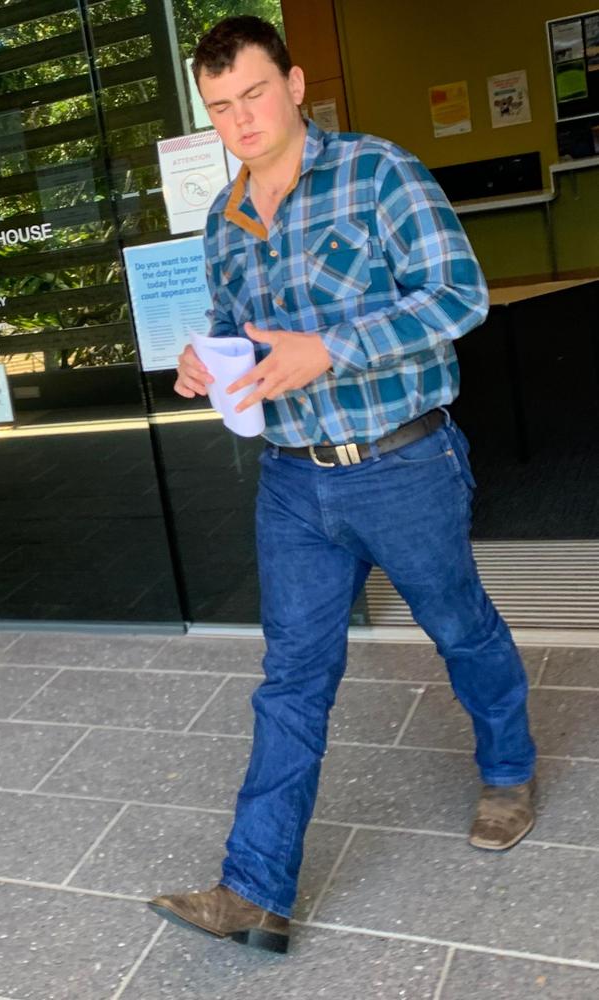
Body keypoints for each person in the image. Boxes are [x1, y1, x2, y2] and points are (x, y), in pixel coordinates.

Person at [148, 15, 536, 954]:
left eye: (251, 94)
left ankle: (510, 769)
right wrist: (208, 363)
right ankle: (255, 890)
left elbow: (459, 297)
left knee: (459, 627)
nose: (239, 120)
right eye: (219, 108)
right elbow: (236, 328)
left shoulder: (379, 172)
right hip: (291, 481)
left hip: (404, 463)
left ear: (294, 81)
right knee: (291, 681)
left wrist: (333, 347)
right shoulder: (223, 219)